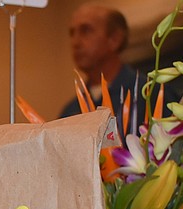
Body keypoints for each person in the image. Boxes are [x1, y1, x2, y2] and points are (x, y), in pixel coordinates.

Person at [59, 3, 144, 134]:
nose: (75, 42)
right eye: (72, 33)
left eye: (86, 31)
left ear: (114, 39)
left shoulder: (148, 95)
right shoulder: (70, 113)